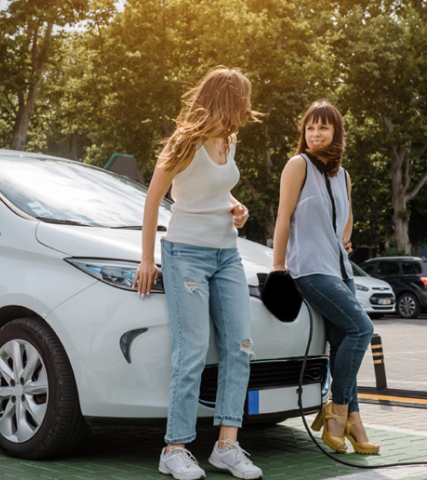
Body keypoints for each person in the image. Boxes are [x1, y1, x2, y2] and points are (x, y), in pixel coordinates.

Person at [135, 67, 263, 480]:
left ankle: (226, 445)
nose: (247, 109)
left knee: (240, 347)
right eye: (242, 100)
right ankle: (174, 448)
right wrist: (147, 258)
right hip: (185, 253)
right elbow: (154, 199)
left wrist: (236, 205)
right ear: (229, 99)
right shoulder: (184, 141)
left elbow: (213, 188)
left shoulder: (229, 139)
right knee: (192, 351)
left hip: (227, 253)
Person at [271, 100, 379, 455]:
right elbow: (283, 216)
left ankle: (351, 422)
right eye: (310, 128)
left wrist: (344, 238)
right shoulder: (297, 165)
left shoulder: (342, 175)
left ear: (337, 133)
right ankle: (338, 412)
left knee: (344, 349)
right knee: (361, 329)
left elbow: (346, 216)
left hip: (340, 269)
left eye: (323, 128)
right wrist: (278, 265)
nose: (315, 134)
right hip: (310, 268)